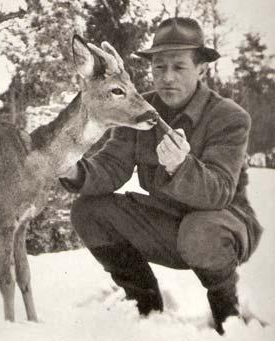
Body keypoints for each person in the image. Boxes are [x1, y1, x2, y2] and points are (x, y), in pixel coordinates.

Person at [59, 17, 263, 335]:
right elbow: (112, 166)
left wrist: (181, 167)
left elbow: (221, 192)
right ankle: (145, 308)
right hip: (167, 224)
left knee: (199, 231)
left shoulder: (230, 117)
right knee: (89, 211)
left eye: (178, 67)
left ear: (202, 70)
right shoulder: (142, 108)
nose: (166, 78)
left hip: (223, 228)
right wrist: (74, 170)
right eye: (158, 67)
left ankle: (229, 313)